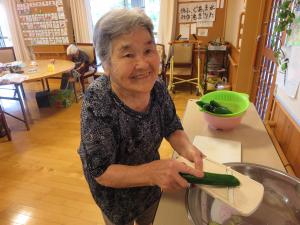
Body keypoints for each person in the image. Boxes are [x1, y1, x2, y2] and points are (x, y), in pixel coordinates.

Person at [78, 8, 204, 225]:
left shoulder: (158, 88)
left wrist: (189, 151)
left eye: (148, 50)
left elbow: (171, 126)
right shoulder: (97, 101)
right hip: (115, 196)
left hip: (151, 186)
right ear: (106, 65)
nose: (144, 64)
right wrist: (154, 172)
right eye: (128, 54)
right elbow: (102, 172)